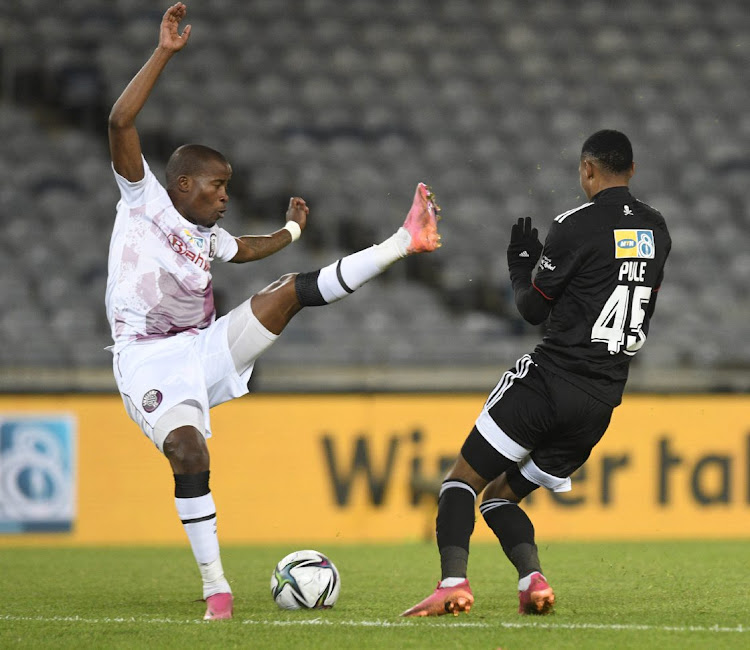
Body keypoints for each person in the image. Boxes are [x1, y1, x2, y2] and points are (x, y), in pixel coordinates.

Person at [106, 3, 441, 621]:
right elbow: (121, 119)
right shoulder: (144, 199)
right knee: (188, 451)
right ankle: (217, 589)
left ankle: (405, 240)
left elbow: (247, 250)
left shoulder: (209, 238)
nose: (225, 196)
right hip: (147, 361)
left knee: (287, 291)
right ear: (183, 185)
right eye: (217, 187)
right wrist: (163, 54)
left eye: (229, 188)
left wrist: (289, 229)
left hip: (200, 345)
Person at [401, 129, 671, 617]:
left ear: (588, 169)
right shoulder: (658, 229)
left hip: (550, 382)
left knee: (461, 484)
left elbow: (530, 308)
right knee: (501, 500)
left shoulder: (575, 224)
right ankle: (532, 582)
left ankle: (453, 584)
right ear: (631, 170)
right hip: (601, 400)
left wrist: (520, 264)